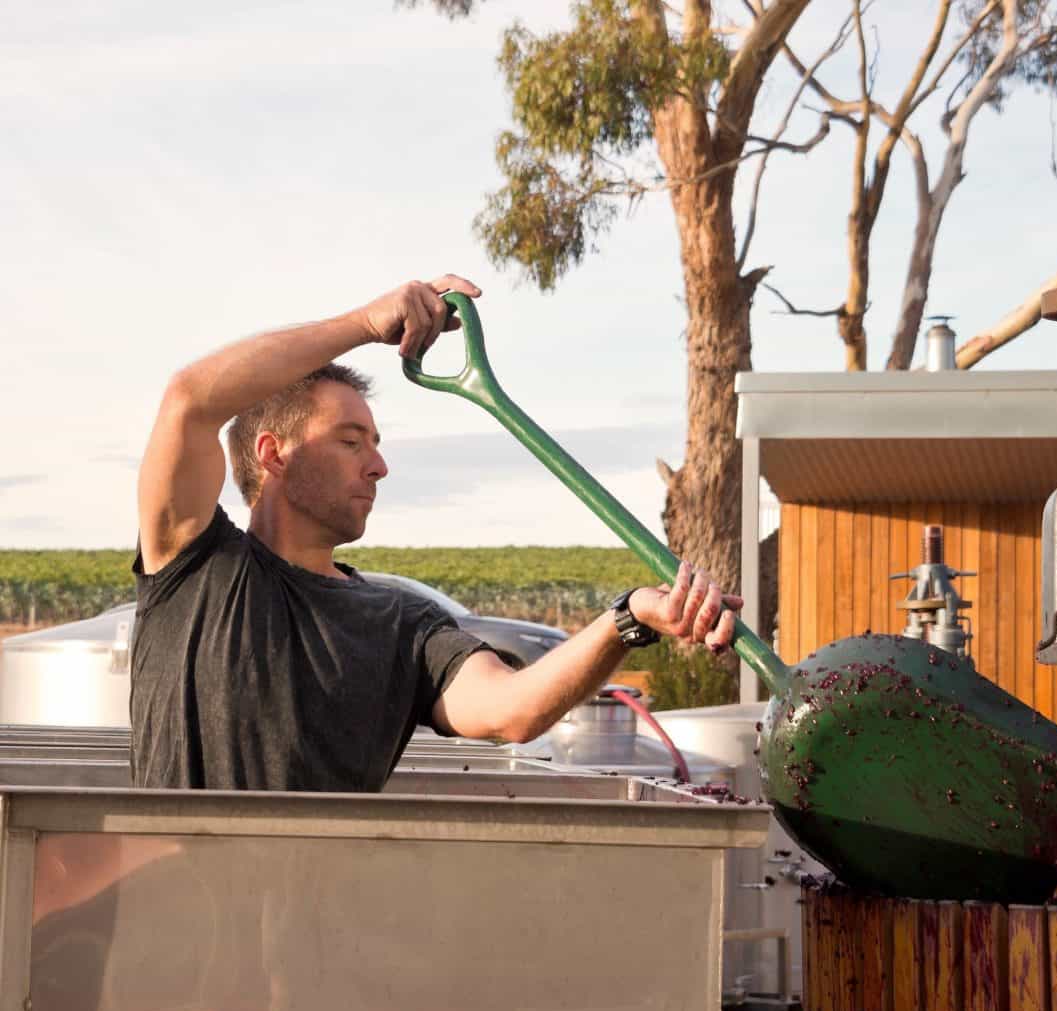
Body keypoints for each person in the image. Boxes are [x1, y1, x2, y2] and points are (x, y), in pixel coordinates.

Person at [130, 274, 739, 791]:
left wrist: (626, 620)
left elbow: (512, 709)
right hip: (171, 923)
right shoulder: (193, 564)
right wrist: (366, 323)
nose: (378, 465)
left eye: (376, 444)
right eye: (350, 442)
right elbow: (189, 400)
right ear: (274, 454)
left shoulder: (401, 624)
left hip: (315, 928)